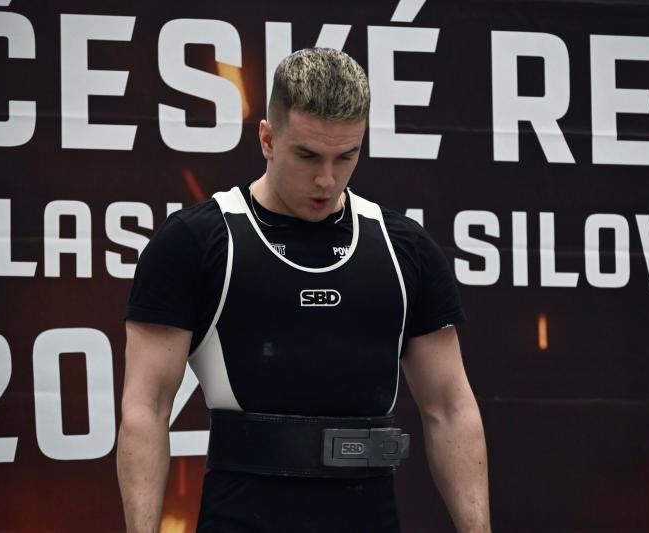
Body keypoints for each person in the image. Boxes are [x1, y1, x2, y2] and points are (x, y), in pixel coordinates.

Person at [117, 48, 490, 532]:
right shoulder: (195, 242)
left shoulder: (405, 249)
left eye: (346, 156)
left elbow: (450, 409)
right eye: (308, 155)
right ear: (268, 139)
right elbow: (146, 409)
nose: (326, 179)